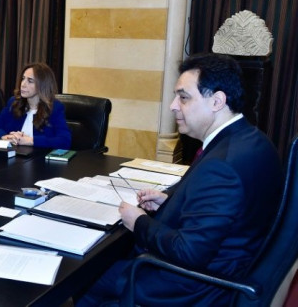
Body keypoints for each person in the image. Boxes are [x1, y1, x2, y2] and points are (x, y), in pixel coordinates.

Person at [77, 53, 284, 306]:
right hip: (228, 266)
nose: (174, 105)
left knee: (87, 277)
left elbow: (189, 252)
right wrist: (169, 204)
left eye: (184, 97)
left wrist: (139, 222)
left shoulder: (222, 165)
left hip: (192, 286)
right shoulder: (254, 141)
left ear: (217, 101)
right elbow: (228, 213)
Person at [0, 63, 71, 148]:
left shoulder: (55, 108)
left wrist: (31, 140)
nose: (23, 84)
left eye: (30, 81)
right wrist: (6, 137)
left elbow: (64, 141)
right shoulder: (14, 102)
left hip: (38, 159)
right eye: (23, 79)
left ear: (42, 85)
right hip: (14, 156)